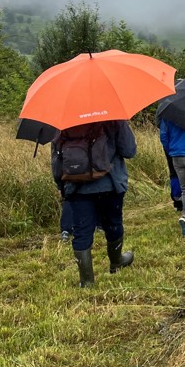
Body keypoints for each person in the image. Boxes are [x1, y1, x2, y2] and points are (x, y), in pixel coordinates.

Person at [53, 120, 137, 288]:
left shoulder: (64, 121)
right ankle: (116, 261)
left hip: (76, 187)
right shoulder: (114, 118)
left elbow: (57, 160)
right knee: (113, 223)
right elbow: (129, 151)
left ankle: (87, 281)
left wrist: (60, 185)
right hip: (110, 184)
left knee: (81, 231)